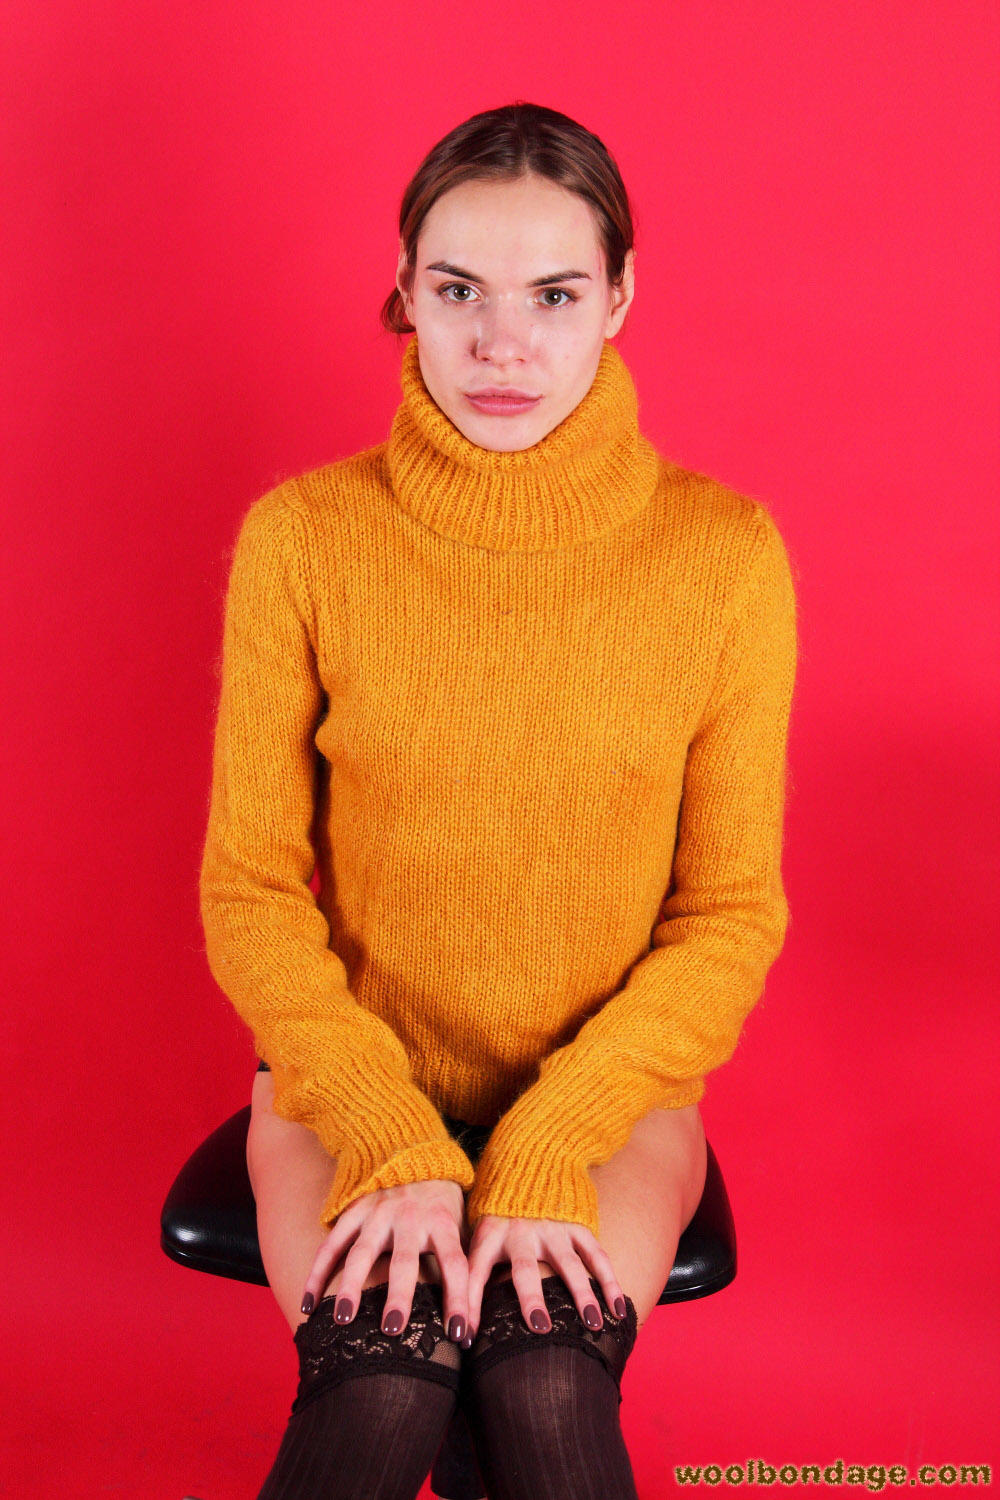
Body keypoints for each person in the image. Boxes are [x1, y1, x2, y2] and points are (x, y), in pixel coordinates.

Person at [199, 100, 798, 1500]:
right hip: (347, 1085)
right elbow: (250, 887)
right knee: (383, 1389)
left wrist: (547, 1136)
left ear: (621, 298)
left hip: (608, 1100)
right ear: (407, 293)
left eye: (554, 295)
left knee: (538, 1386)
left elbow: (728, 914)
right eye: (459, 291)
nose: (502, 344)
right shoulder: (305, 540)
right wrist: (386, 1126)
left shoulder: (723, 558)